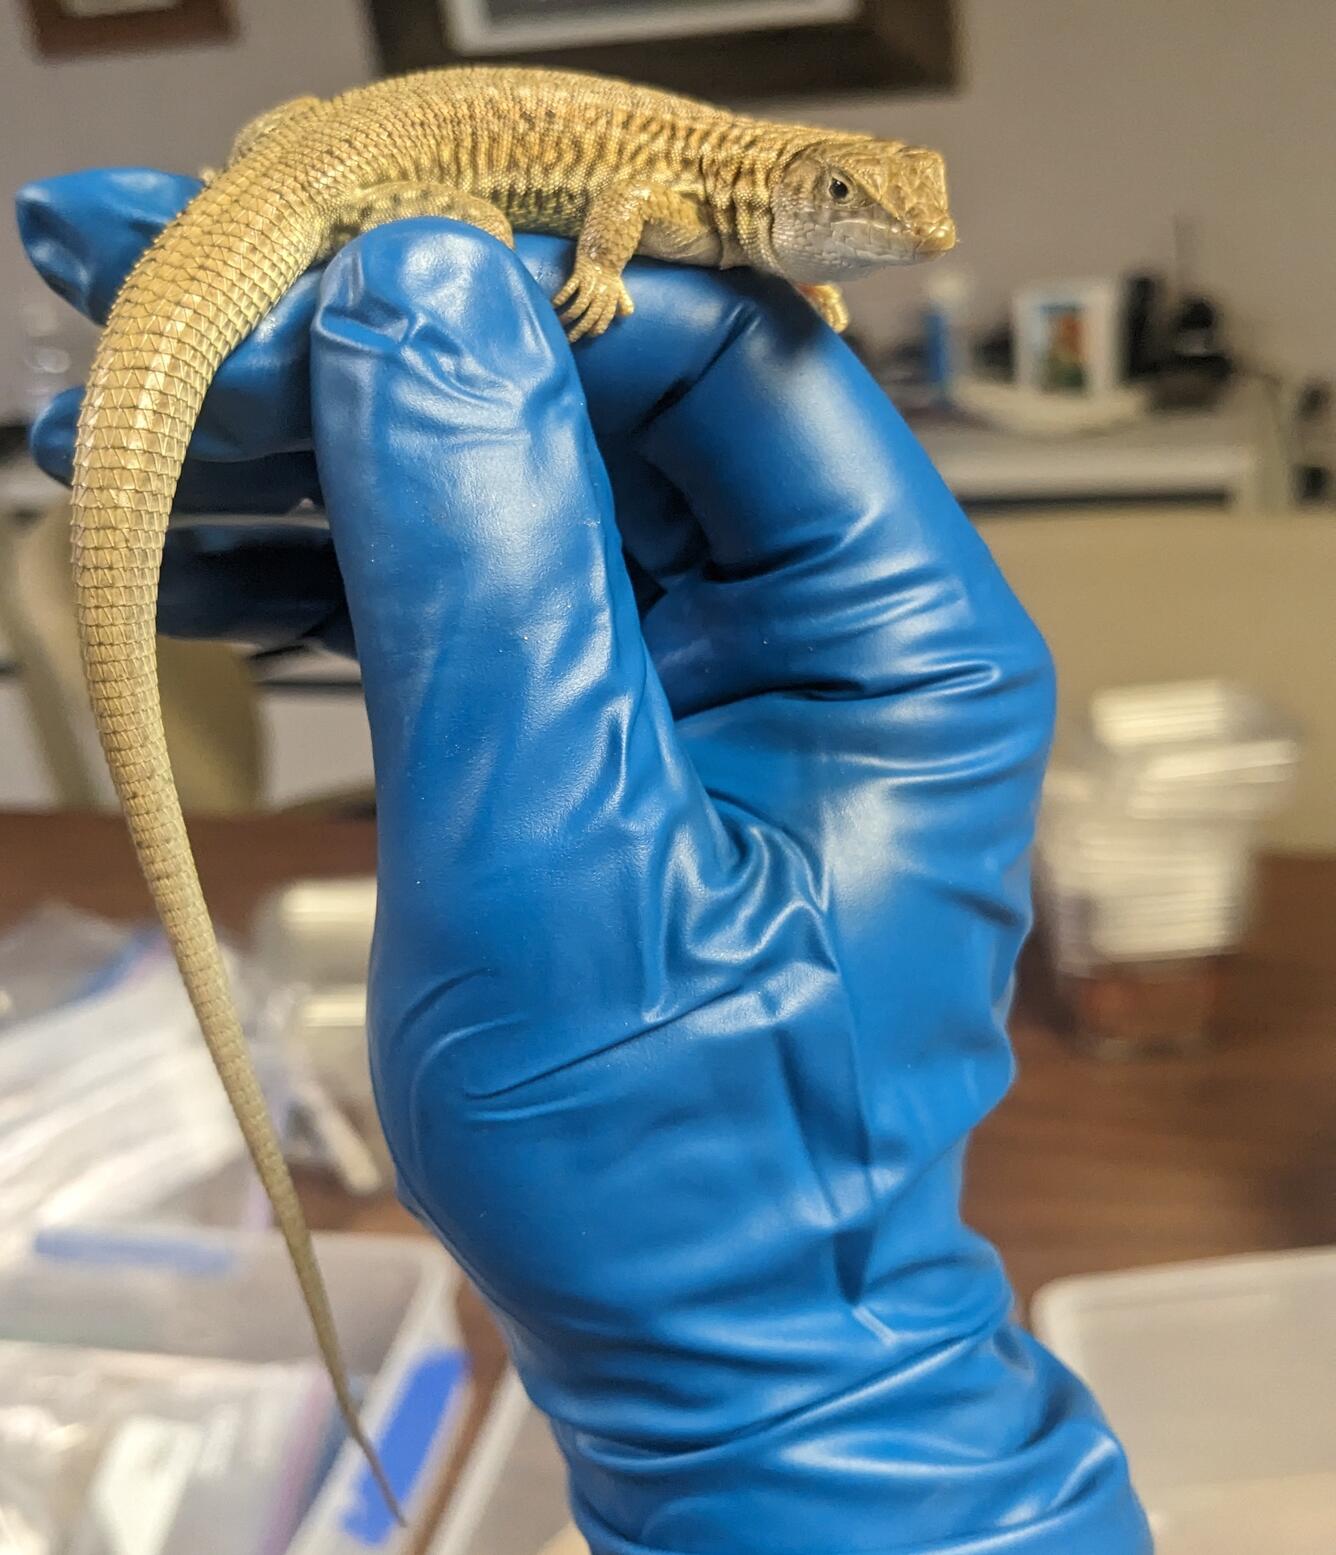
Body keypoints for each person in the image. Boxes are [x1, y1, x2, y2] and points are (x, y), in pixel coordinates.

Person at [19, 168, 1151, 1554]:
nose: (915, 228)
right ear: (781, 189)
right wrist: (838, 1402)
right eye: (859, 201)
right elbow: (605, 229)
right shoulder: (666, 195)